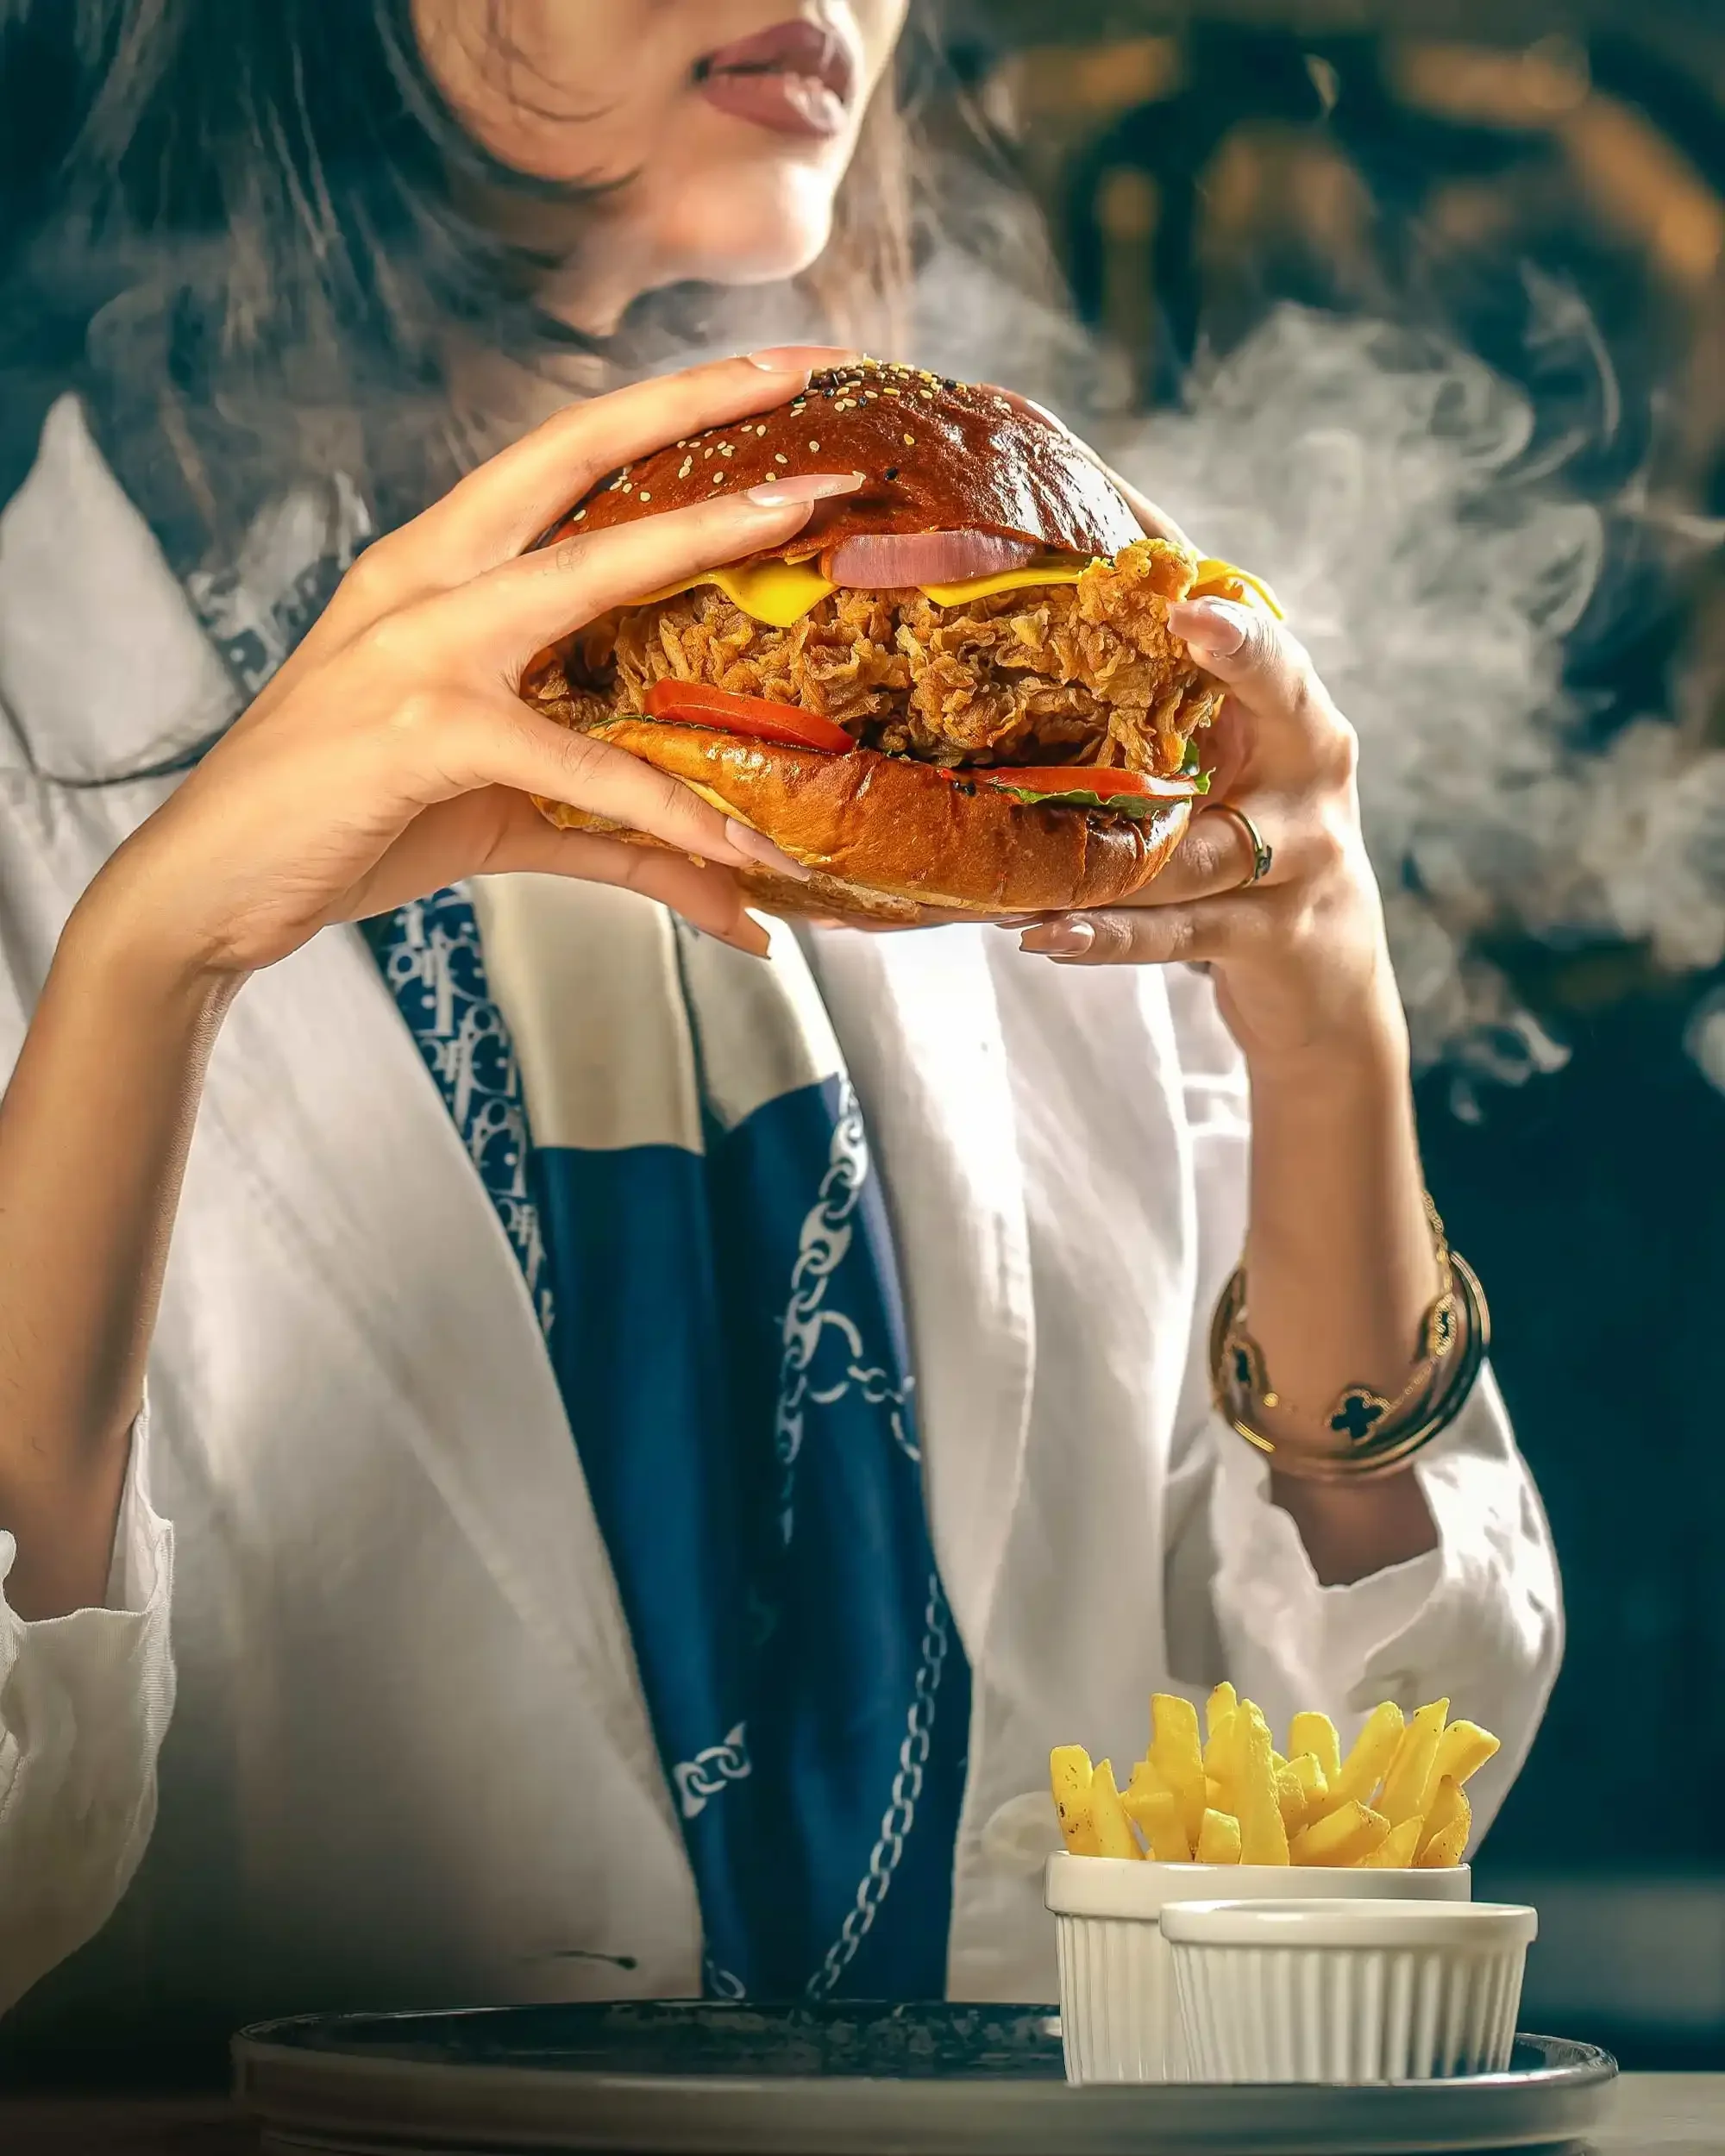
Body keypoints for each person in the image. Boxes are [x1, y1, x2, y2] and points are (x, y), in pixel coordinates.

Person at [0, 0, 1559, 2059]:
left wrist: (1330, 1034)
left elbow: (1370, 1776)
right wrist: (142, 967)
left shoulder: (1015, 717)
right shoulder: (39, 749)